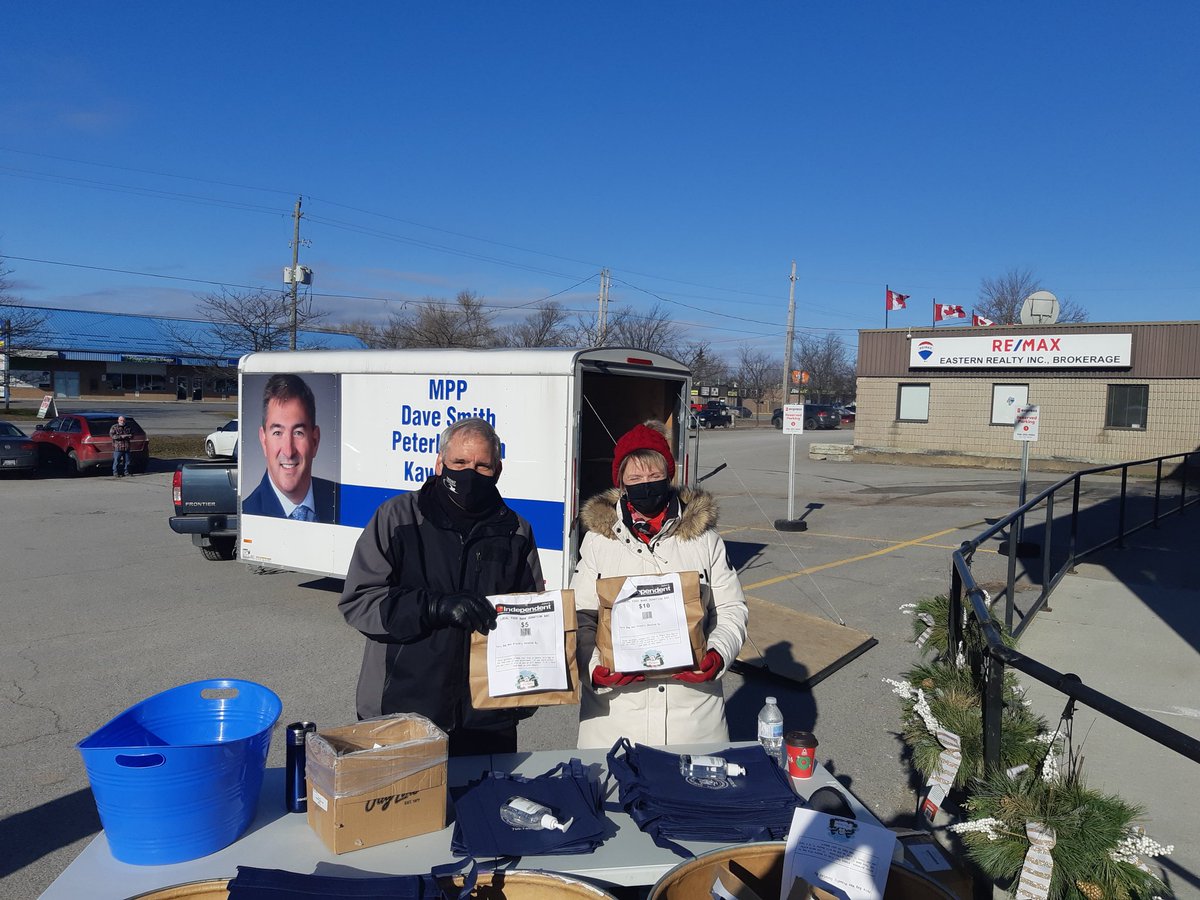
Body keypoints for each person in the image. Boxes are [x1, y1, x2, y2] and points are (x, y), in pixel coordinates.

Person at [339, 417, 544, 756]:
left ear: (498, 469)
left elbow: (533, 616)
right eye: (459, 462)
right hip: (402, 710)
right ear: (439, 463)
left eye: (482, 466)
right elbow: (360, 601)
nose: (469, 473)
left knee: (483, 808)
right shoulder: (397, 518)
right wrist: (433, 607)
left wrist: (530, 690)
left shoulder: (516, 531)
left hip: (487, 720)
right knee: (405, 809)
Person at [572, 420, 748, 748]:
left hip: (693, 720)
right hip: (615, 720)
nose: (646, 485)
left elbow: (730, 608)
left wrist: (717, 654)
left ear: (668, 475)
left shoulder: (704, 539)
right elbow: (581, 617)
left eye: (654, 476)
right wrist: (594, 668)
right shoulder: (598, 542)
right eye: (635, 478)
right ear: (621, 483)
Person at [243, 373, 337, 523]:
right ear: (263, 440)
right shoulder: (248, 514)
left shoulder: (339, 500)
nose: (288, 451)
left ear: (315, 440)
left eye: (298, 432)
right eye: (278, 433)